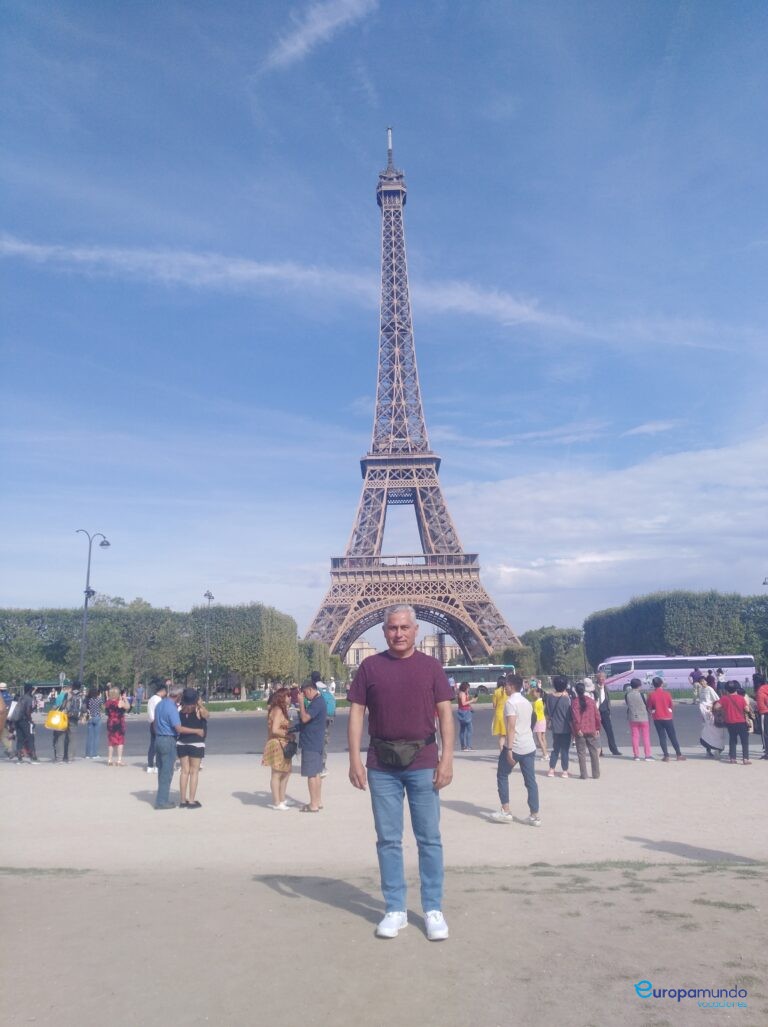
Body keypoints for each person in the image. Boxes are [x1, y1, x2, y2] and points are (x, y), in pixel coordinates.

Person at [348, 604, 454, 942]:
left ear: (415, 630)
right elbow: (356, 715)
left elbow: (445, 715)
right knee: (389, 841)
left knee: (429, 839)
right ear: (384, 631)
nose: (399, 633)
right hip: (382, 763)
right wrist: (353, 758)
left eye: (404, 627)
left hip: (423, 760)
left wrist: (447, 757)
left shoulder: (432, 667)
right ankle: (395, 907)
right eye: (393, 628)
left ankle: (432, 907)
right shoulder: (369, 667)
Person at [490, 675, 541, 825]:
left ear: (511, 686)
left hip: (515, 745)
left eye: (506, 685)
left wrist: (509, 749)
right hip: (529, 745)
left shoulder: (510, 702)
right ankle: (534, 815)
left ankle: (506, 810)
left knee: (502, 775)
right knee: (530, 781)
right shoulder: (526, 702)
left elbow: (511, 727)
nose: (504, 688)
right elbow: (532, 720)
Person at [153, 684, 204, 809]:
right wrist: (196, 731)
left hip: (158, 738)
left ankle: (161, 797)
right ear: (179, 696)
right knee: (167, 772)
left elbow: (154, 723)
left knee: (161, 771)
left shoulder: (160, 704)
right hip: (168, 739)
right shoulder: (171, 708)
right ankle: (162, 801)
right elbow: (178, 728)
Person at [291, 678, 326, 812]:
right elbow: (308, 722)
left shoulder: (317, 702)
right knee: (316, 773)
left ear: (311, 690)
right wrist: (293, 728)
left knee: (311, 774)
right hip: (316, 741)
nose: (304, 696)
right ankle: (318, 801)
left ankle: (313, 804)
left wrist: (301, 703)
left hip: (311, 743)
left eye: (305, 693)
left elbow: (305, 718)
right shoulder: (319, 701)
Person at [262, 686, 294, 809]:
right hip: (277, 743)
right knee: (277, 773)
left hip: (283, 743)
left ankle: (282, 799)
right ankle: (277, 802)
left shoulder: (281, 709)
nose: (290, 698)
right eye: (288, 695)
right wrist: (288, 735)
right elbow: (275, 729)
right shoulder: (278, 710)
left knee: (286, 772)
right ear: (282, 697)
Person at [177, 688, 208, 808]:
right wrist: (200, 704)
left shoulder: (180, 711)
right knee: (194, 772)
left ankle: (182, 800)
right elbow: (208, 715)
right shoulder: (198, 710)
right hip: (196, 743)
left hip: (182, 743)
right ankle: (191, 800)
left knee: (184, 771)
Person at [646, 677, 686, 762]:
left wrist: (652, 712)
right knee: (672, 736)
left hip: (657, 717)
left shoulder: (651, 695)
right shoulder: (667, 694)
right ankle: (678, 754)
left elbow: (649, 707)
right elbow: (671, 705)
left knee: (662, 737)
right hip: (667, 717)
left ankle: (666, 756)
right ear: (661, 684)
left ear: (653, 685)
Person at [570, 681, 601, 779]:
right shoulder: (591, 701)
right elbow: (597, 716)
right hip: (591, 728)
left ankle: (584, 774)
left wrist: (577, 729)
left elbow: (576, 718)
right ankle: (596, 774)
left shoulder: (574, 702)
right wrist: (597, 727)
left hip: (580, 731)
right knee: (593, 752)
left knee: (581, 753)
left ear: (575, 691)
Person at [545, 676, 572, 778]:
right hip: (565, 727)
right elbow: (569, 715)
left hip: (555, 727)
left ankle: (551, 769)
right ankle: (565, 771)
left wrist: (547, 723)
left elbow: (547, 712)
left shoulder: (550, 697)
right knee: (565, 749)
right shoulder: (566, 699)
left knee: (555, 748)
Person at [719, 681, 750, 764]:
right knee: (744, 741)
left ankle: (732, 758)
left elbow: (716, 707)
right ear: (736, 689)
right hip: (741, 722)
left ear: (727, 689)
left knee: (732, 740)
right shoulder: (741, 698)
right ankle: (745, 759)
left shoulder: (724, 698)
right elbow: (747, 709)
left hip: (730, 722)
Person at [625, 678, 653, 760]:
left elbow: (628, 704)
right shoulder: (643, 695)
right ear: (639, 685)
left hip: (633, 717)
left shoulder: (627, 695)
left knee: (635, 736)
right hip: (643, 717)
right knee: (646, 737)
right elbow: (647, 705)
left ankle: (636, 755)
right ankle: (647, 755)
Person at [595, 671, 621, 756]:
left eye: (603, 677)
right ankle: (599, 751)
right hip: (597, 712)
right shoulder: (594, 688)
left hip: (605, 711)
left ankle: (614, 750)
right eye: (600, 677)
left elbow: (608, 700)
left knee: (610, 731)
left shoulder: (606, 688)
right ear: (597, 678)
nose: (602, 679)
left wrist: (609, 711)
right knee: (597, 732)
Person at [698, 676, 725, 758]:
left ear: (706, 681)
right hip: (704, 715)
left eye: (703, 681)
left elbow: (717, 700)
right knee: (707, 733)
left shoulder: (710, 689)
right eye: (700, 682)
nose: (702, 683)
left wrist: (711, 707)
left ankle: (718, 750)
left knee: (716, 732)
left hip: (711, 714)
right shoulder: (701, 690)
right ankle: (708, 751)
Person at [105, 687, 129, 766]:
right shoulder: (120, 702)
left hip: (110, 722)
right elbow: (128, 707)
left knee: (111, 742)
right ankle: (119, 760)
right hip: (119, 722)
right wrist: (125, 699)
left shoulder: (108, 702)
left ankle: (109, 760)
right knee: (120, 741)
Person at [146, 682, 166, 773]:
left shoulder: (151, 699)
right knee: (159, 746)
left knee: (152, 745)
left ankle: (150, 765)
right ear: (162, 691)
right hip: (158, 723)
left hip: (152, 723)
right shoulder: (159, 700)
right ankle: (158, 765)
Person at [15, 684, 38, 762]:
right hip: (25, 720)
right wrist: (30, 720)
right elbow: (28, 711)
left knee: (20, 739)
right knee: (30, 738)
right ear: (30, 690)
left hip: (17, 720)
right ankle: (33, 756)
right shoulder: (29, 698)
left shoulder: (21, 697)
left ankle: (19, 757)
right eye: (32, 689)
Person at [51, 683, 72, 763]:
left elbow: (55, 706)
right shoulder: (67, 696)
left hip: (56, 718)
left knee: (56, 737)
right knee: (63, 738)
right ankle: (63, 757)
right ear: (68, 689)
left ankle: (57, 756)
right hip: (63, 718)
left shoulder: (59, 696)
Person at [456, 681, 477, 750]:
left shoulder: (461, 693)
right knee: (470, 730)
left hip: (461, 712)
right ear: (465, 688)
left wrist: (471, 707)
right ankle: (468, 746)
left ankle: (463, 746)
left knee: (462, 730)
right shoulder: (463, 694)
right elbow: (463, 703)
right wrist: (472, 701)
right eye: (468, 688)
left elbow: (464, 703)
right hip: (465, 712)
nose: (468, 689)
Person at [84, 686, 103, 759]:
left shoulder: (88, 700)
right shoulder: (99, 699)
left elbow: (85, 708)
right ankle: (95, 754)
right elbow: (102, 707)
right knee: (96, 737)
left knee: (89, 737)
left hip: (90, 717)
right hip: (97, 717)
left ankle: (87, 754)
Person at [530, 686, 548, 760]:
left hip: (538, 721)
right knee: (543, 738)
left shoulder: (536, 703)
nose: (532, 694)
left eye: (533, 693)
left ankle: (545, 754)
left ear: (538, 693)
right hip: (543, 720)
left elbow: (534, 713)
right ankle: (545, 753)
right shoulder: (542, 701)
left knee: (539, 739)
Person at [491, 675, 507, 750]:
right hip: (507, 714)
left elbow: (494, 705)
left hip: (498, 714)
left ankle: (502, 753)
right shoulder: (507, 691)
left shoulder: (496, 692)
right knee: (509, 735)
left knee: (501, 736)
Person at [755, 675, 768, 759]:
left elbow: (761, 704)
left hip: (764, 713)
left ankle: (767, 752)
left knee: (765, 734)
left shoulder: (760, 691)